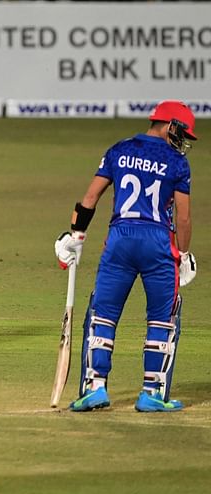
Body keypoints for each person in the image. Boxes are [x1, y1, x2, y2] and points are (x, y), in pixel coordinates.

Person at [55, 100, 198, 412]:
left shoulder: (119, 150)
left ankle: (95, 388)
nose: (183, 140)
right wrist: (183, 254)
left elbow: (90, 198)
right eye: (182, 132)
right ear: (170, 125)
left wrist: (76, 236)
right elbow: (184, 219)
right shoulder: (176, 162)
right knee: (162, 318)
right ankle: (151, 394)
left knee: (103, 314)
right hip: (158, 243)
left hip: (119, 239)